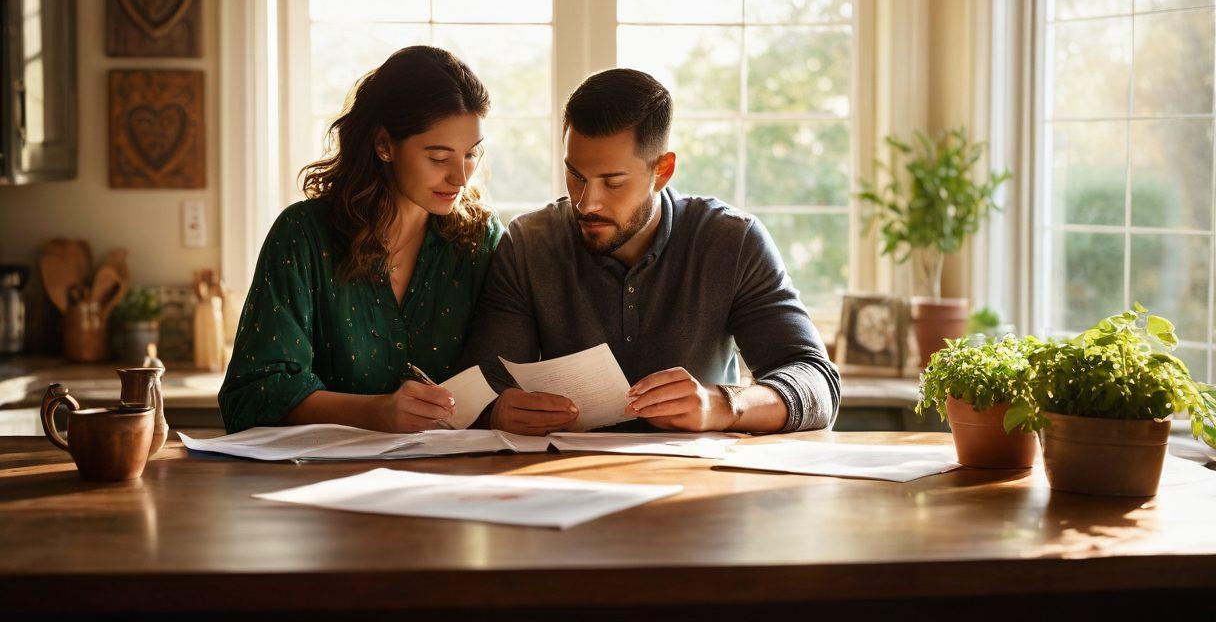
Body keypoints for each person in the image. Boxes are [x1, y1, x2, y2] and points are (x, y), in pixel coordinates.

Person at [462, 68, 840, 436]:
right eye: (576, 176)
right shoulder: (529, 243)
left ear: (662, 170)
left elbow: (817, 382)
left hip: (701, 484)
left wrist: (723, 404)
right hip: (562, 482)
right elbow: (483, 391)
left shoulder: (731, 241)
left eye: (612, 182)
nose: (586, 202)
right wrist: (497, 412)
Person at [219, 46, 503, 434]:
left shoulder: (481, 239)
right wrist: (375, 412)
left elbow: (503, 378)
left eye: (471, 155)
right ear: (384, 145)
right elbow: (252, 393)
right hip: (317, 482)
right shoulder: (303, 235)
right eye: (438, 158)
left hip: (454, 478)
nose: (460, 177)